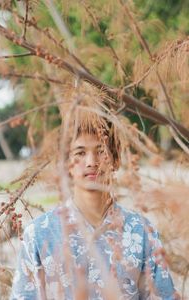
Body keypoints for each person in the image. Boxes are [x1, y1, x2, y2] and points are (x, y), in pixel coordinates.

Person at [10, 111, 179, 300]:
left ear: (116, 160)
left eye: (101, 152)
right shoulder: (39, 234)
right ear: (67, 164)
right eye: (80, 153)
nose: (92, 162)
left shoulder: (142, 232)